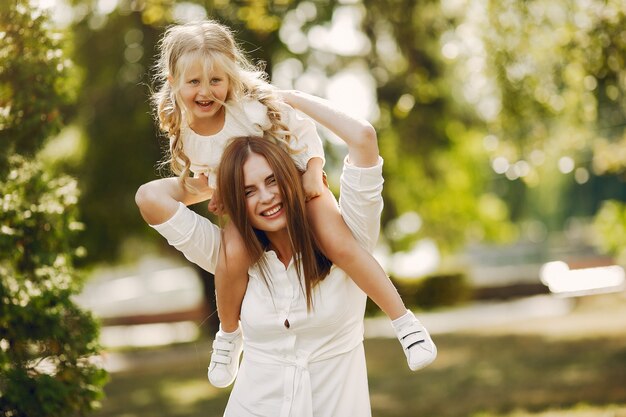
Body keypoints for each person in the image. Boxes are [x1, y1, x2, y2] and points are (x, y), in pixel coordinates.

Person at [149, 19, 436, 388]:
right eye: (194, 82)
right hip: (253, 204)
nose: (206, 92)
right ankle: (229, 335)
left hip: (298, 183)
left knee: (338, 242)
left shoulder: (249, 108)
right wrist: (221, 189)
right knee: (230, 256)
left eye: (216, 80)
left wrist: (315, 170)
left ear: (232, 77)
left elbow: (302, 131)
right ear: (173, 83)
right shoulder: (187, 133)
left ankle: (404, 323)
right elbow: (212, 172)